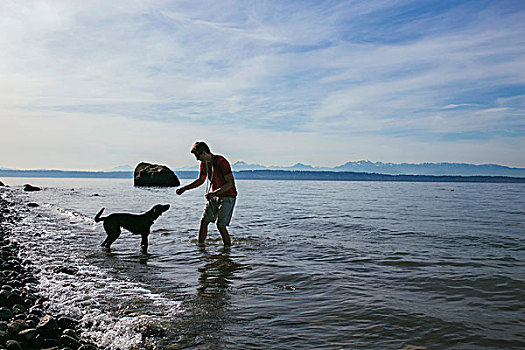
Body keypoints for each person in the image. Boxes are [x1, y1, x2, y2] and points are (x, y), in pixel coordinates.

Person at [176, 141, 237, 246]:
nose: (197, 159)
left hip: (228, 196)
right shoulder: (204, 164)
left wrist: (215, 193)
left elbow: (230, 184)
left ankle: (227, 251)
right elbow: (201, 180)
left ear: (204, 153)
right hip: (214, 196)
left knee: (221, 226)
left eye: (197, 156)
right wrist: (185, 188)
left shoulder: (221, 161)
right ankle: (200, 248)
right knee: (204, 222)